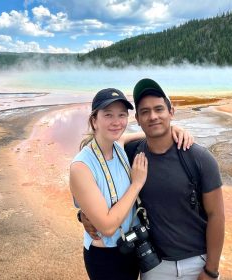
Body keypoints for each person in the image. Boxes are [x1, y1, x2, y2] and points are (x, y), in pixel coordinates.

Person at [81, 79, 225, 280]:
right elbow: (95, 177)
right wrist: (84, 214)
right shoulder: (130, 154)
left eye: (159, 109)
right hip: (155, 265)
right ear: (138, 119)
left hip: (197, 261)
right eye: (145, 112)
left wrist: (211, 269)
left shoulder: (198, 158)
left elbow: (216, 215)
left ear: (171, 112)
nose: (153, 116)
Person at [70, 87, 193, 280]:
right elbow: (108, 227)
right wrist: (136, 184)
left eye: (121, 115)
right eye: (108, 115)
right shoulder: (81, 167)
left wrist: (172, 129)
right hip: (106, 257)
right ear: (94, 120)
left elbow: (133, 136)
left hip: (132, 247)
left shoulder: (118, 146)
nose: (116, 122)